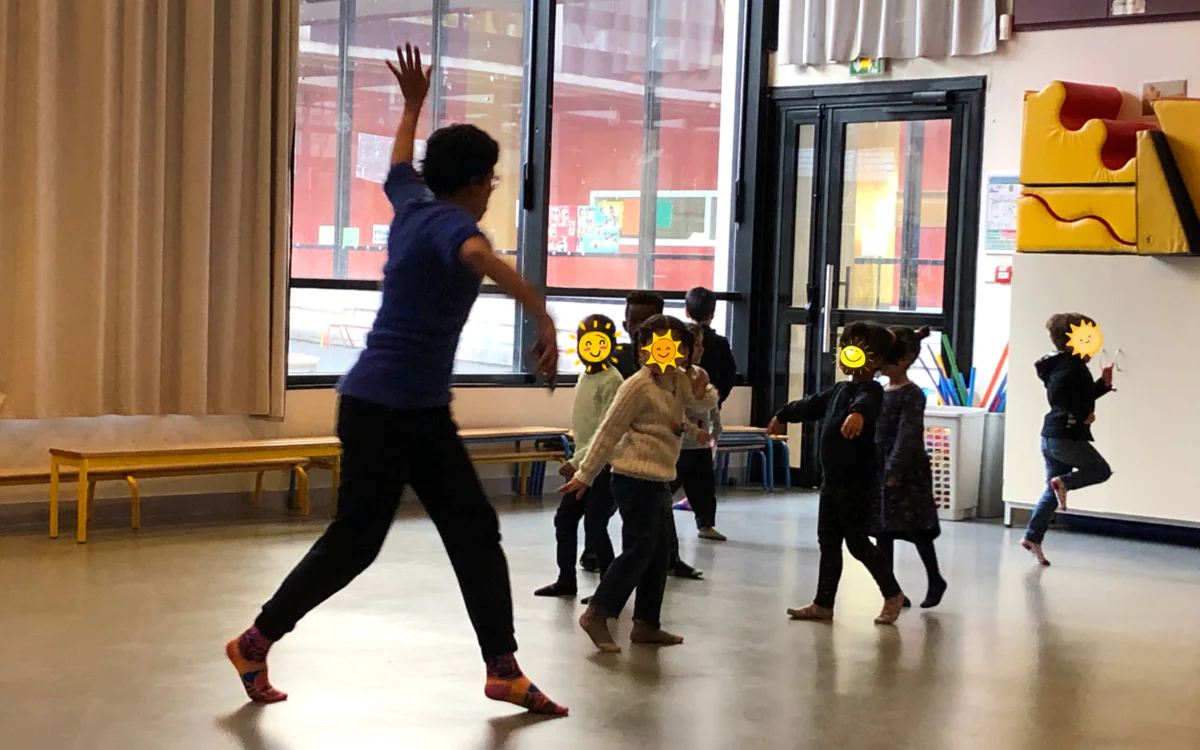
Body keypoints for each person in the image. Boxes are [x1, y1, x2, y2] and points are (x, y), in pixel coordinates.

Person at [225, 44, 568, 717]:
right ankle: (254, 641)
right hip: (391, 410)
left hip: (400, 406)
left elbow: (396, 163)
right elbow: (473, 254)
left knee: (470, 530)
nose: (494, 188)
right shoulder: (452, 226)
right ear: (472, 181)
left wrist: (411, 106)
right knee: (360, 542)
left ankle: (502, 668)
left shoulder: (413, 202)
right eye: (492, 178)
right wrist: (541, 313)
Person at [562, 315, 717, 652]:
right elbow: (608, 432)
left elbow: (699, 404)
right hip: (632, 479)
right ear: (644, 351)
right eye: (654, 346)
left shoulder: (675, 382)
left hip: (659, 478)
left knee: (660, 555)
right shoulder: (637, 385)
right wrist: (584, 474)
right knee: (639, 550)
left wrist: (704, 388)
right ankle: (597, 613)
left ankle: (646, 624)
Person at [768, 322, 907, 625]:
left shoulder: (871, 391)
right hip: (832, 480)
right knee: (827, 541)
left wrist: (857, 415)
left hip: (856, 481)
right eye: (847, 347)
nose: (849, 353)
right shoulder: (840, 389)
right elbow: (811, 404)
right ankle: (823, 603)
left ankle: (892, 592)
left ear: (876, 359)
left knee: (856, 542)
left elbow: (866, 404)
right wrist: (783, 414)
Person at [584, 290, 705, 580]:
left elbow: (690, 398)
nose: (635, 327)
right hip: (615, 453)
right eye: (631, 321)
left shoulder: (671, 369)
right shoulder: (617, 363)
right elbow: (606, 420)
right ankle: (599, 566)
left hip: (654, 458)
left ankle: (668, 561)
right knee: (601, 514)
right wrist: (585, 466)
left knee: (656, 520)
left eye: (643, 321)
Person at [534, 314, 622, 598]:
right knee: (565, 519)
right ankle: (566, 579)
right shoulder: (586, 376)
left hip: (603, 467)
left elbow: (606, 431)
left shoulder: (613, 381)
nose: (593, 348)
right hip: (583, 465)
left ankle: (609, 590)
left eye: (599, 343)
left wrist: (576, 462)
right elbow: (586, 427)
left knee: (596, 523)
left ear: (610, 345)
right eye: (587, 343)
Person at [1022, 312, 1115, 567]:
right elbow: (1062, 395)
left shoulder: (1064, 365)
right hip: (1064, 436)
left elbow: (1078, 394)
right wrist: (1082, 414)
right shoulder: (1072, 368)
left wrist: (1103, 385)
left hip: (1053, 435)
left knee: (1051, 491)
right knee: (1099, 470)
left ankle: (1032, 537)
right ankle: (1062, 482)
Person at [872, 326, 946, 609]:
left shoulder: (912, 394)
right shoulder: (880, 390)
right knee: (883, 529)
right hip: (881, 464)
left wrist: (895, 468)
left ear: (905, 359)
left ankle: (935, 579)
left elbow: (908, 432)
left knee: (916, 527)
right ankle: (891, 588)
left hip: (905, 468)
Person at [670, 323, 725, 542]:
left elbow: (711, 406)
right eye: (696, 345)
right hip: (680, 444)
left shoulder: (701, 374)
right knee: (670, 483)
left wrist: (716, 428)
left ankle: (706, 523)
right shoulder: (674, 377)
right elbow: (684, 408)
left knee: (704, 486)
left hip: (700, 445)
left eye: (702, 345)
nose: (701, 350)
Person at [684, 286, 737, 406]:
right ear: (712, 314)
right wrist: (718, 397)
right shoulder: (720, 343)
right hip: (710, 403)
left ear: (686, 312)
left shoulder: (679, 339)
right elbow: (729, 375)